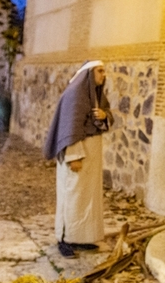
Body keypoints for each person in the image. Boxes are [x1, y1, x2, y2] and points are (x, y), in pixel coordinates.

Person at [42, 61, 112, 258]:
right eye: (100, 71)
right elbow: (69, 128)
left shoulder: (95, 95)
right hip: (78, 156)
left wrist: (104, 114)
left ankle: (81, 238)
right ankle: (64, 239)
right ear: (89, 73)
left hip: (91, 158)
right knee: (71, 197)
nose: (103, 75)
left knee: (86, 199)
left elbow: (106, 119)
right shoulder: (75, 95)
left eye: (103, 71)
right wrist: (74, 156)